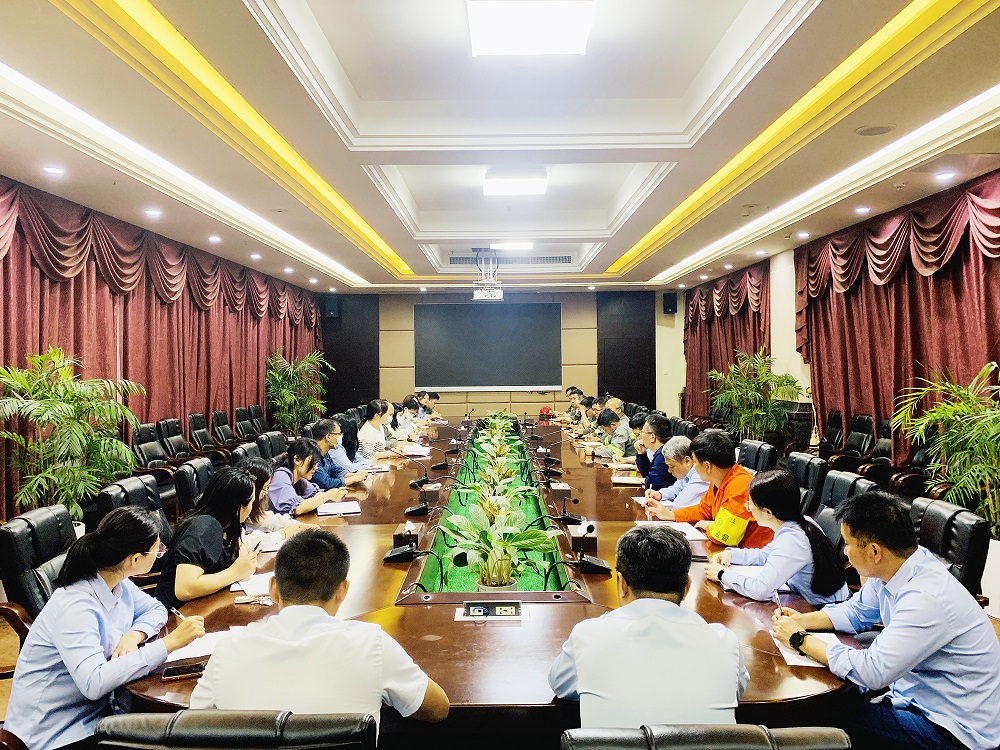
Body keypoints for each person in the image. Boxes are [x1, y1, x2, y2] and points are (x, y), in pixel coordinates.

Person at [772, 492, 1000, 750]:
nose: (845, 551)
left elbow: (873, 672)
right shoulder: (898, 567)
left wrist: (799, 639)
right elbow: (857, 611)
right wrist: (803, 620)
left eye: (848, 543)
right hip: (914, 694)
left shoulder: (926, 599)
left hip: (951, 729)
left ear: (874, 551)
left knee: (823, 712)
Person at [190, 528, 449, 733]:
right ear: (343, 590)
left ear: (273, 589)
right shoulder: (372, 644)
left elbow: (194, 728)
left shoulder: (227, 650)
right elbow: (438, 709)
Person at [6, 507, 205, 750]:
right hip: (56, 733)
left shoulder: (116, 581)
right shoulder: (76, 606)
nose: (160, 553)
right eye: (158, 549)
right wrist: (169, 644)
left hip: (99, 713)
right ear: (135, 559)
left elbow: (156, 609)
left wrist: (134, 635)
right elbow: (94, 682)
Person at [548, 525, 748, 728]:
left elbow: (560, 684)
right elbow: (735, 689)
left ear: (622, 584)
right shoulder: (726, 643)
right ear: (687, 587)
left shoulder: (588, 636)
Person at [704, 471, 849, 606]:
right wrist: (731, 554)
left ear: (768, 512)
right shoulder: (800, 522)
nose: (747, 507)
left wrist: (722, 574)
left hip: (821, 610)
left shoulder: (792, 540)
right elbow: (766, 555)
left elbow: (760, 590)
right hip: (806, 602)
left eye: (750, 503)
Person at [157, 467, 262, 611]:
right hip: (179, 613)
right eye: (251, 502)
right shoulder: (204, 527)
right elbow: (185, 589)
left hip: (209, 604)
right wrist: (234, 573)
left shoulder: (230, 524)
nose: (251, 508)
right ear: (238, 506)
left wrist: (243, 564)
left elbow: (239, 556)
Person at [648, 429, 771, 548]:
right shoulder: (719, 479)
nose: (694, 467)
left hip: (754, 554)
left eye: (695, 462)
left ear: (708, 466)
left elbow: (723, 536)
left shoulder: (739, 486)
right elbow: (704, 509)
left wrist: (709, 527)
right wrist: (671, 514)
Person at [238, 456, 308, 550]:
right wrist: (284, 533)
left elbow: (265, 519)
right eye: (264, 488)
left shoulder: (250, 509)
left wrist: (298, 525)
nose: (265, 493)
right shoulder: (238, 508)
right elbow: (246, 543)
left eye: (267, 487)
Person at [267, 438, 348, 516]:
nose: (315, 468)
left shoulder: (300, 480)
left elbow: (316, 494)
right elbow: (297, 508)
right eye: (312, 463)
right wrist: (327, 495)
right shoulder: (280, 476)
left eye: (317, 464)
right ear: (297, 460)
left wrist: (333, 494)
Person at [644, 435, 709, 511]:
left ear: (687, 461)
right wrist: (660, 494)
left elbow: (679, 504)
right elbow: (676, 488)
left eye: (671, 466)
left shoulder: (700, 475)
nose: (669, 470)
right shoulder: (687, 473)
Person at [310, 418, 368, 490]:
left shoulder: (325, 453)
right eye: (338, 434)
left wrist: (355, 475)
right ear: (328, 437)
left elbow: (337, 471)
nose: (341, 437)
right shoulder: (311, 456)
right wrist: (352, 479)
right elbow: (325, 483)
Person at [633, 413, 673, 491]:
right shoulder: (661, 451)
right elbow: (647, 474)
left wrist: (646, 481)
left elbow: (653, 483)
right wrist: (642, 453)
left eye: (642, 432)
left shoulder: (664, 454)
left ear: (652, 436)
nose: (640, 436)